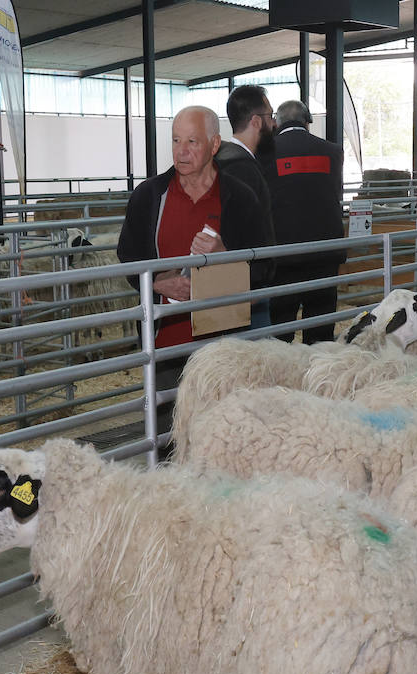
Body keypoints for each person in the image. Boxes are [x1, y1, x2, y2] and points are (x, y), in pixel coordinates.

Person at [116, 105, 272, 445]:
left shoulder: (240, 198)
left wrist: (223, 255)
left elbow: (265, 267)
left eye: (192, 141)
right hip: (164, 338)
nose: (181, 151)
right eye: (175, 141)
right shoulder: (149, 196)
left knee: (223, 434)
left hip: (223, 341)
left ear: (214, 144)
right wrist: (157, 283)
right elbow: (127, 256)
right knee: (168, 436)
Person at [263, 99, 346, 344]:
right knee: (320, 328)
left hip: (283, 255)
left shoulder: (265, 153)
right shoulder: (333, 151)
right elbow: (335, 192)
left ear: (276, 123)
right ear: (307, 122)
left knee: (281, 328)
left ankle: (283, 376)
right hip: (324, 253)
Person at [215, 85, 277, 327]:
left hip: (242, 282)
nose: (274, 124)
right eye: (270, 116)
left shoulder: (226, 159)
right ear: (256, 121)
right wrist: (249, 280)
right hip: (245, 290)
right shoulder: (240, 168)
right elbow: (235, 231)